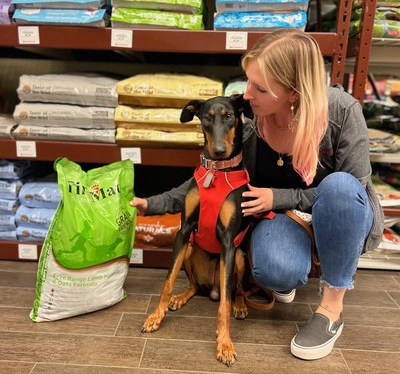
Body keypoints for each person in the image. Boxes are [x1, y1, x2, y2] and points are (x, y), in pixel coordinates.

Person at [130, 29, 384, 361]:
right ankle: (291, 267)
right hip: (284, 220)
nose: (247, 94)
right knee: (273, 269)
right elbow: (207, 181)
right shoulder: (250, 123)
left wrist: (280, 197)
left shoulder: (341, 112)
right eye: (248, 81)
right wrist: (151, 204)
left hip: (340, 213)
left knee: (338, 187)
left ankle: (331, 309)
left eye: (260, 88)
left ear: (293, 92)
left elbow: (354, 192)